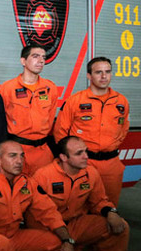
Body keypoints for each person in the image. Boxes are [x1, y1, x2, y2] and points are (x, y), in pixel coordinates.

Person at [32, 136, 129, 251]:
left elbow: (99, 200)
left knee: (120, 226)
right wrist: (65, 240)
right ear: (63, 157)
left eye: (85, 151)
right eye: (79, 153)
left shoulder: (91, 173)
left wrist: (110, 212)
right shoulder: (43, 176)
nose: (86, 156)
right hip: (52, 232)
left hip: (77, 225)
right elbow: (41, 216)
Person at [53, 57, 130, 205]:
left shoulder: (121, 101)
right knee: (78, 207)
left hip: (111, 165)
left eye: (107, 72)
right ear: (89, 76)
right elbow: (61, 132)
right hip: (83, 163)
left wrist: (110, 145)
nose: (104, 76)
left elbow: (124, 128)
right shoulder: (75, 101)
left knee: (109, 207)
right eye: (98, 72)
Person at [0, 44, 58, 175]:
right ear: (23, 61)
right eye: (35, 56)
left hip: (43, 153)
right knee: (18, 191)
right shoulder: (8, 88)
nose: (41, 61)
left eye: (43, 57)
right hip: (16, 151)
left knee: (42, 191)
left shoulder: (50, 88)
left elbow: (52, 120)